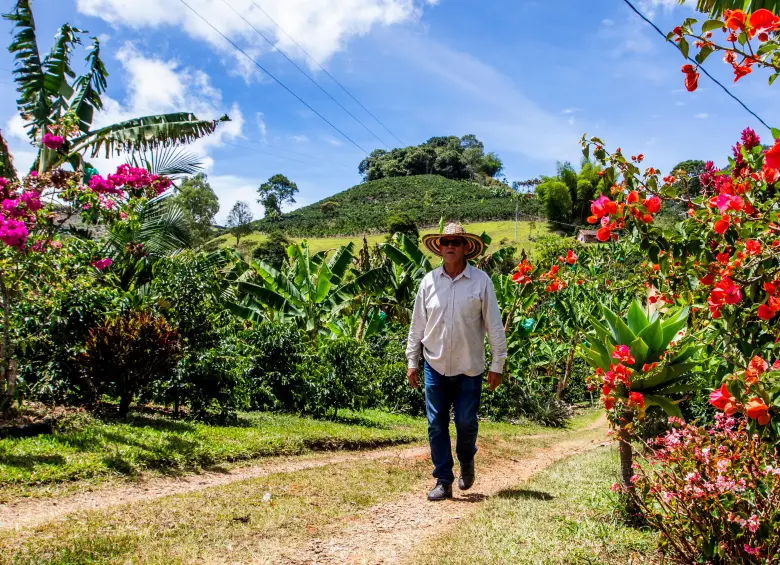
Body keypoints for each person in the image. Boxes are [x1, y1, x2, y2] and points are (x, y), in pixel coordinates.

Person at [406, 222, 507, 501]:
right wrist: (412, 361)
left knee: (465, 422)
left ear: (465, 248)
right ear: (439, 247)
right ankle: (443, 479)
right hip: (434, 365)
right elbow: (417, 326)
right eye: (445, 242)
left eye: (456, 242)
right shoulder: (428, 282)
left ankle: (466, 459)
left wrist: (497, 364)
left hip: (469, 367)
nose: (450, 246)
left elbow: (494, 326)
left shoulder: (480, 282)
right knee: (436, 423)